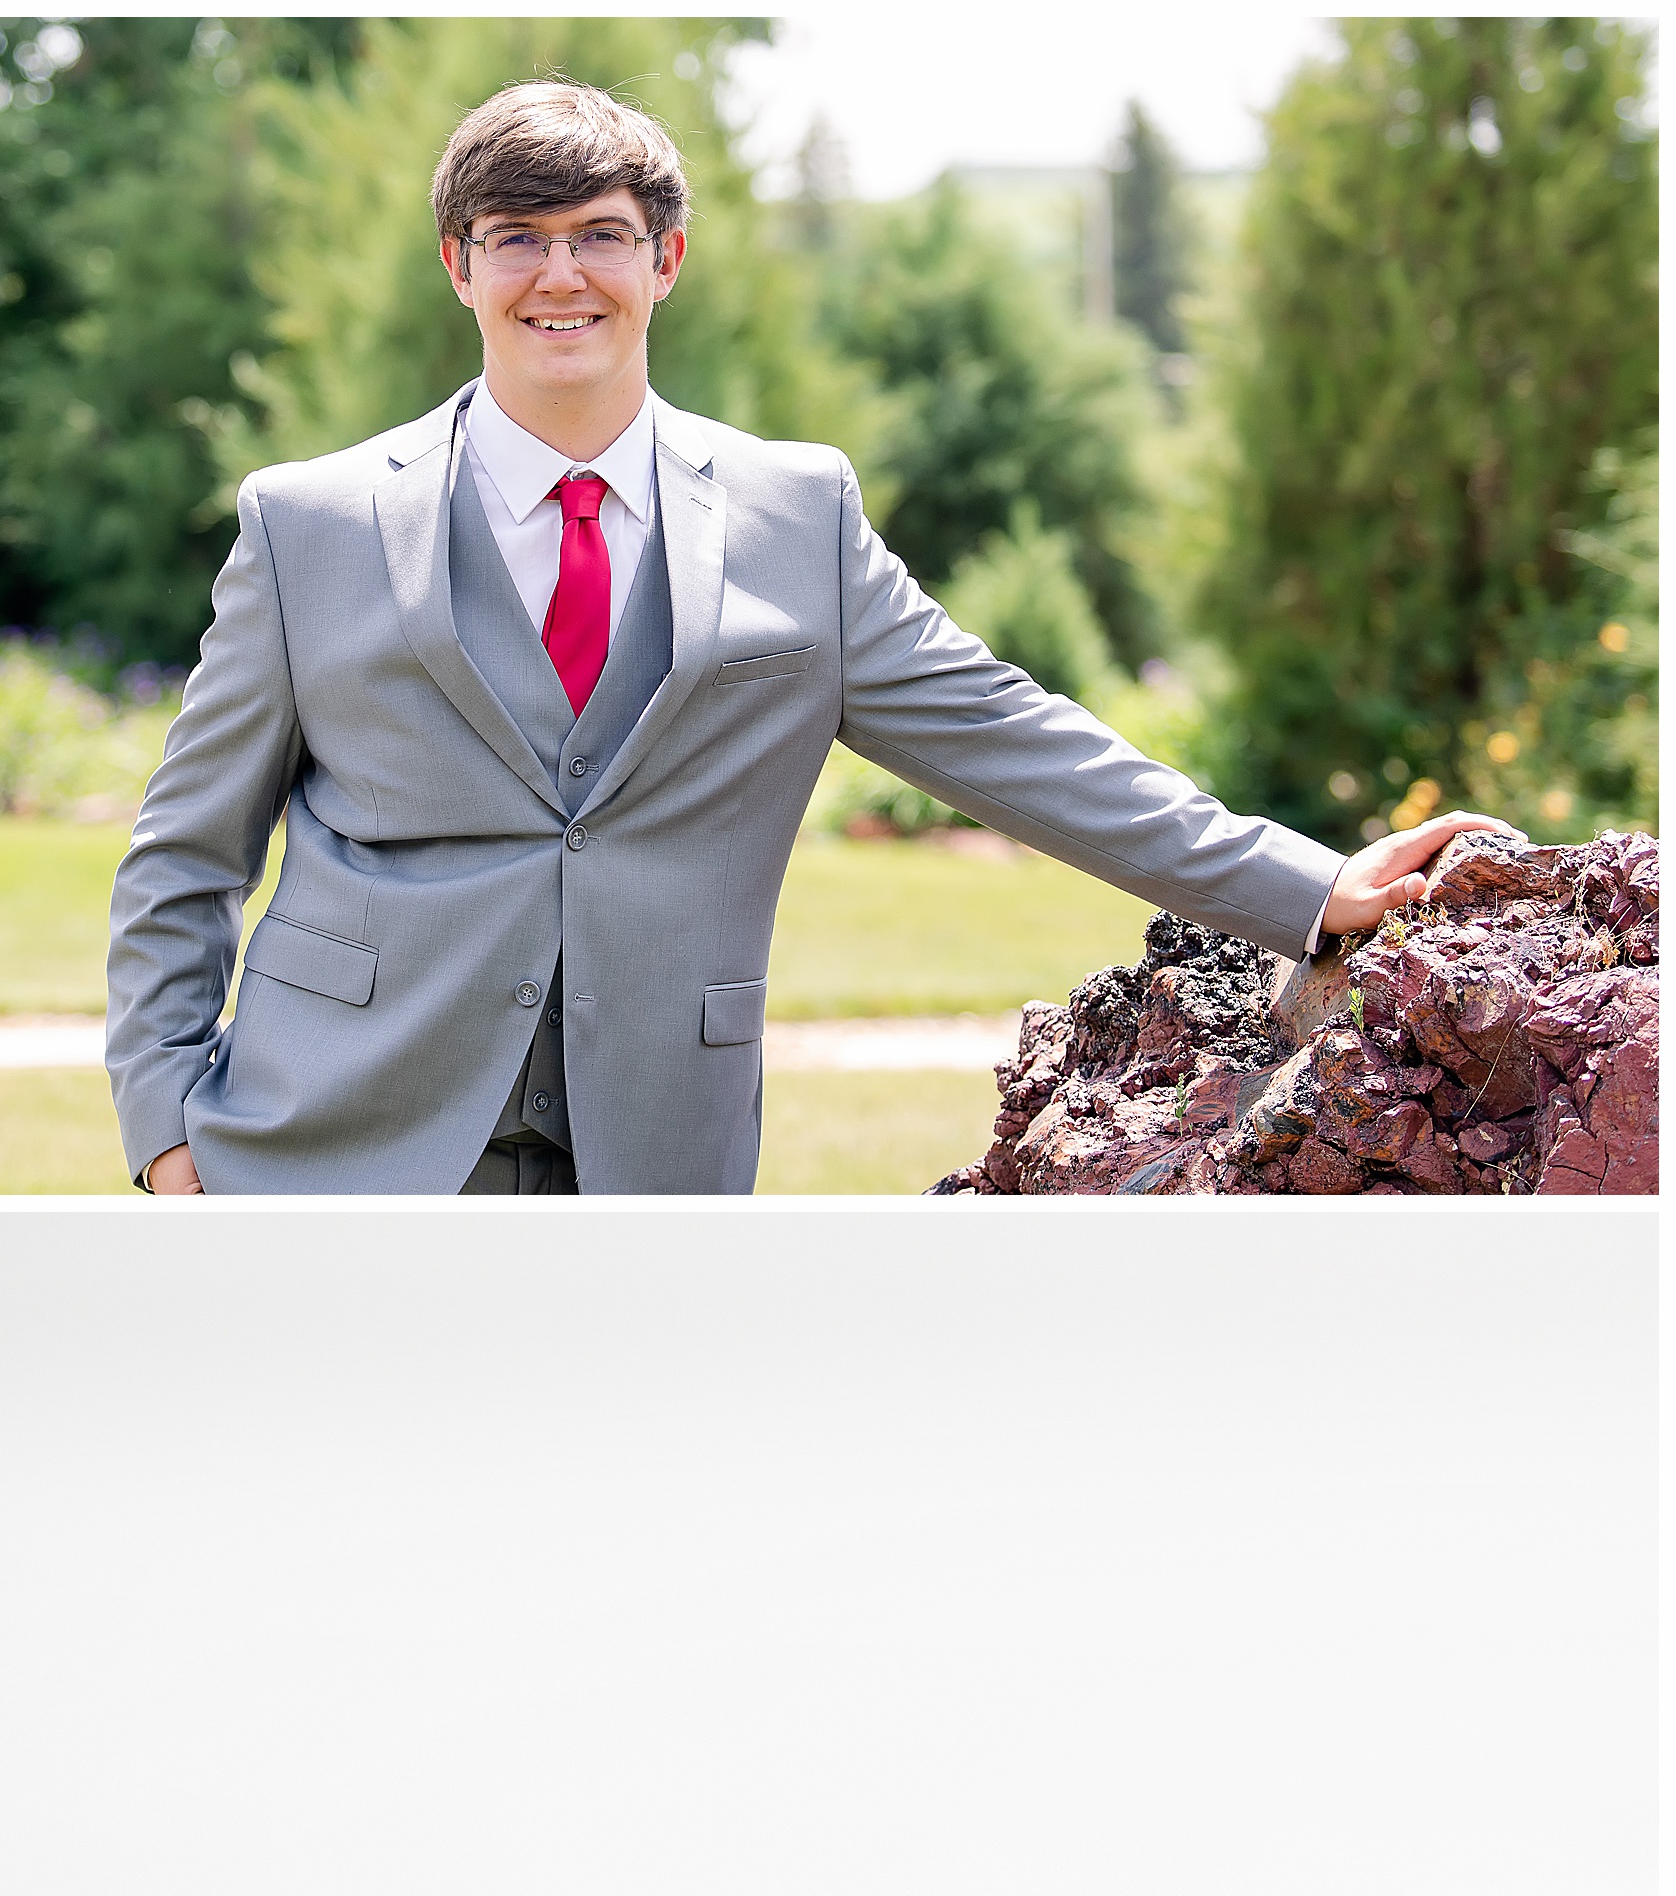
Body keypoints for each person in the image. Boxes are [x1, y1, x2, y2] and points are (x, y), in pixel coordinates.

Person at [107, 81, 1502, 1196]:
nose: (559, 276)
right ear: (457, 268)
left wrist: (1308, 887)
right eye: (516, 239)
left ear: (667, 259)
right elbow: (184, 854)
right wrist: (166, 1129)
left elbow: (1011, 741)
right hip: (328, 1148)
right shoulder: (312, 524)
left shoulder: (796, 515)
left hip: (654, 1151)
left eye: (597, 233)